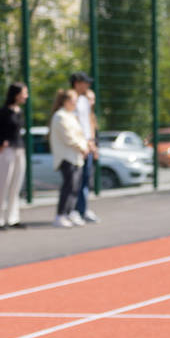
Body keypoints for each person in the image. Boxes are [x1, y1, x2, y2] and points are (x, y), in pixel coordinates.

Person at [0, 83, 29, 229]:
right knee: (3, 184)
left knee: (16, 185)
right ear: (16, 94)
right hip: (7, 151)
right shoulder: (4, 111)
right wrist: (0, 141)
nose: (26, 96)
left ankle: (12, 218)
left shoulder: (19, 111)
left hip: (19, 149)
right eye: (24, 93)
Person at [50, 89, 89, 228]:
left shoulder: (70, 116)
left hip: (76, 156)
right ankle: (60, 214)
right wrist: (82, 147)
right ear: (66, 101)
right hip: (66, 157)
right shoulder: (60, 116)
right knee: (68, 186)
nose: (76, 103)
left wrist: (84, 147)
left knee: (75, 187)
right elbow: (69, 137)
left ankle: (70, 212)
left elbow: (80, 134)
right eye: (74, 100)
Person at [70, 72, 99, 224]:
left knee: (86, 179)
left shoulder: (84, 100)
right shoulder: (71, 100)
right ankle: (72, 210)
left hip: (87, 145)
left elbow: (89, 122)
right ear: (77, 83)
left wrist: (92, 142)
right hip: (78, 147)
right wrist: (83, 143)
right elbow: (74, 126)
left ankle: (83, 209)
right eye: (85, 82)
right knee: (75, 180)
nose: (88, 85)